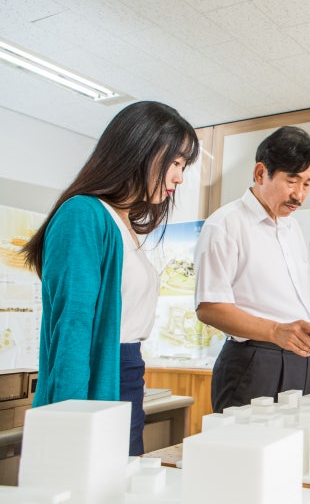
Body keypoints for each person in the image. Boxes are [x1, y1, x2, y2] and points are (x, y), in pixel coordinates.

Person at [22, 101, 199, 455]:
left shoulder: (125, 224)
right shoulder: (84, 215)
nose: (179, 177)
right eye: (176, 163)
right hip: (97, 375)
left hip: (126, 371)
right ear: (142, 149)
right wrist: (68, 419)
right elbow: (73, 326)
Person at [194, 126, 310, 413]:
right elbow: (208, 307)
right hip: (254, 363)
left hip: (302, 361)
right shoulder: (226, 224)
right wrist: (274, 331)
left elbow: (303, 304)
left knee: (296, 452)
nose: (300, 195)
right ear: (260, 174)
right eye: (292, 181)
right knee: (247, 453)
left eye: (307, 184)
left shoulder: (292, 228)